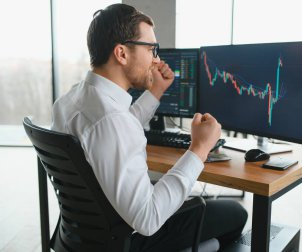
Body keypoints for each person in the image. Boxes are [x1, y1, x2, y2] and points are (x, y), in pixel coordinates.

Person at [51, 3, 247, 251]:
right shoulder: (111, 121)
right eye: (152, 50)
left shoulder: (72, 100)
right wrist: (199, 149)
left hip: (87, 237)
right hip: (128, 238)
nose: (157, 59)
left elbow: (116, 130)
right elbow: (148, 218)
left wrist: (156, 91)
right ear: (121, 54)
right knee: (235, 213)